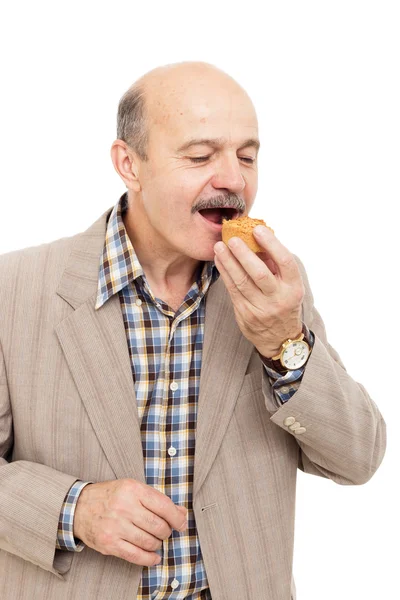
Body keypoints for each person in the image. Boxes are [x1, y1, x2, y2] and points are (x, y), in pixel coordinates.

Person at [0, 61, 386, 600]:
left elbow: (358, 458)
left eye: (247, 156)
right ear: (129, 164)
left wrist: (284, 344)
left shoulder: (274, 290)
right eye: (201, 156)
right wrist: (74, 508)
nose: (234, 179)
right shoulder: (13, 289)